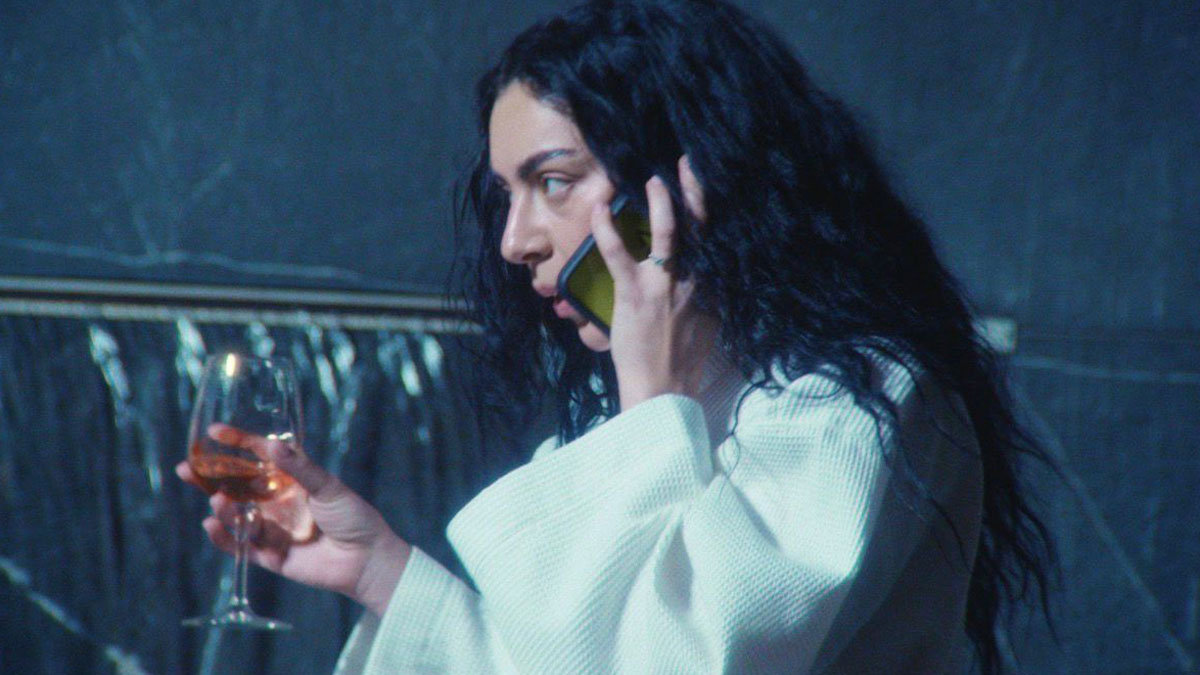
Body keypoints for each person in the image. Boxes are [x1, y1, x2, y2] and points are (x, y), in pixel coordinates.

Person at [178, 0, 1055, 672]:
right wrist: (380, 570)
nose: (514, 240)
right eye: (507, 194)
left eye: (553, 181)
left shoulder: (859, 400)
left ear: (682, 180)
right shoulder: (626, 415)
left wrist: (651, 405)